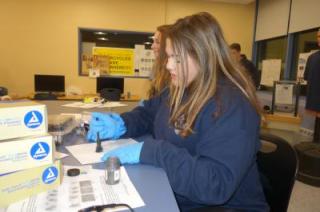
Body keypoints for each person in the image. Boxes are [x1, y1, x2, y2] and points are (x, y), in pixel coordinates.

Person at [87, 12, 268, 211]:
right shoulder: (181, 86)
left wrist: (153, 151)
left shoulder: (233, 105)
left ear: (204, 56)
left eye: (177, 58)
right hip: (176, 192)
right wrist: (122, 124)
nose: (168, 64)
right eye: (169, 56)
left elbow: (215, 184)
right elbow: (149, 113)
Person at [148, 25, 171, 98]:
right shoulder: (157, 66)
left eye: (157, 42)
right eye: (153, 41)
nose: (152, 46)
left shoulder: (175, 73)